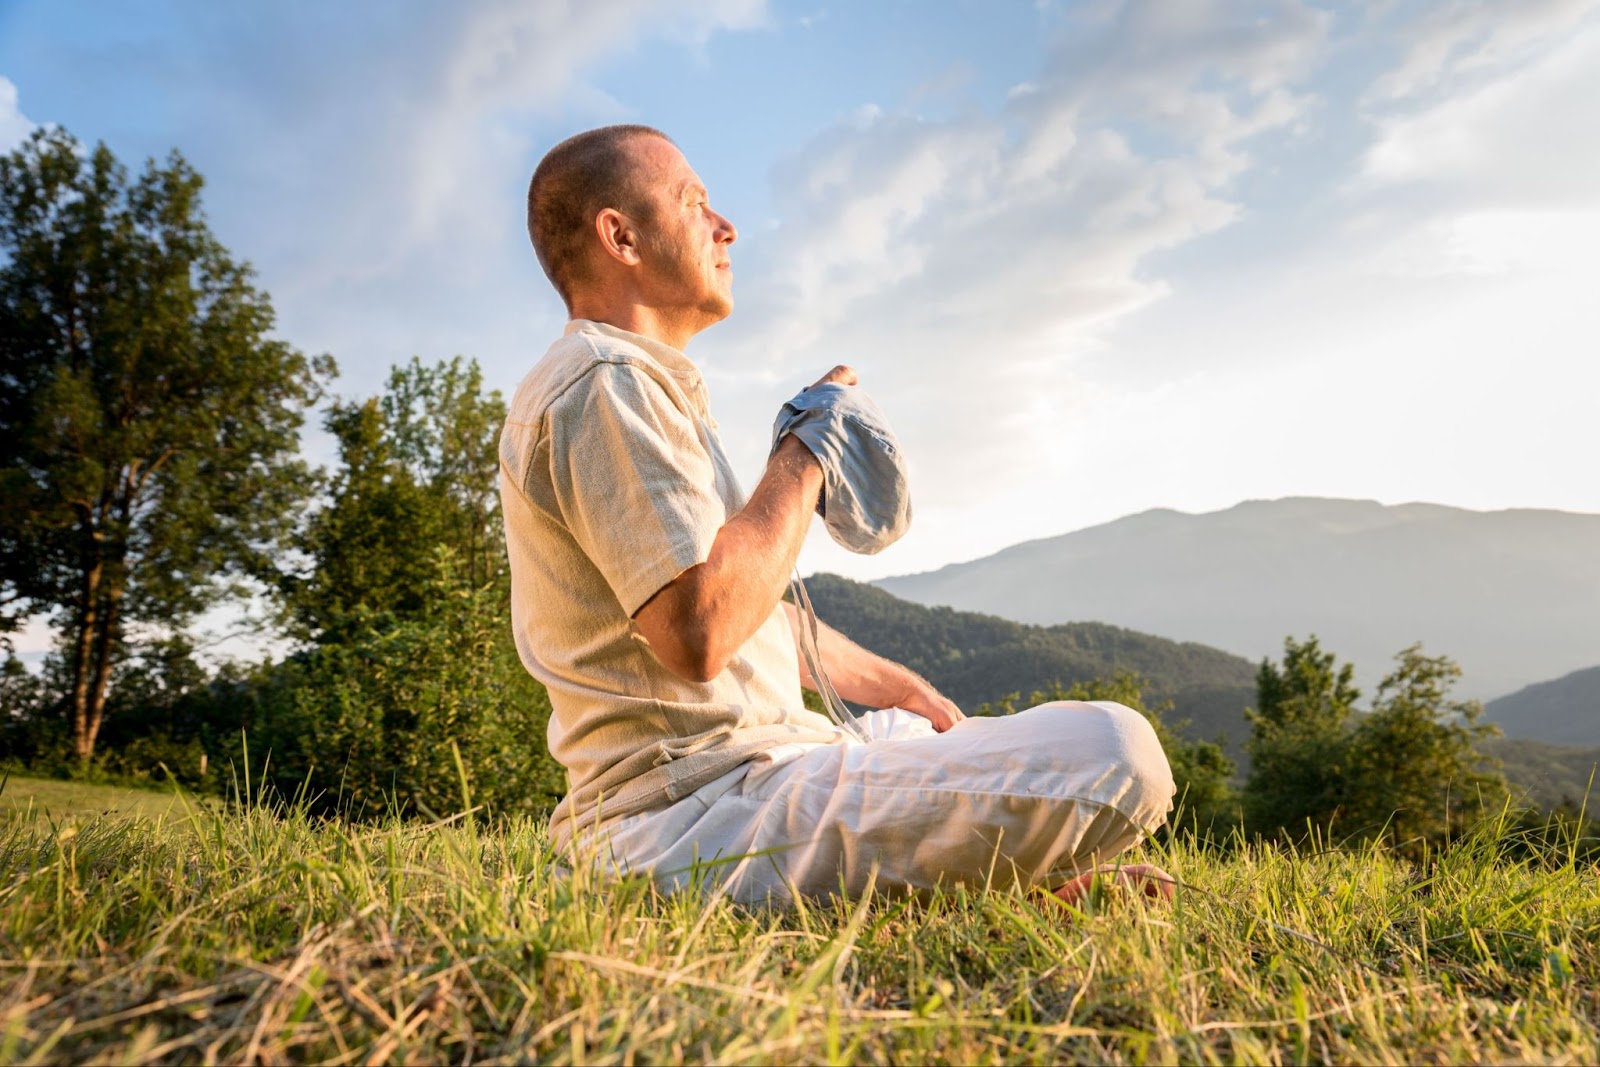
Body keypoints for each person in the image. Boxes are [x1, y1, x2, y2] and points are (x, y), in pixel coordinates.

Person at [500, 124, 1175, 907]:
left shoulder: (638, 386)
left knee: (909, 733)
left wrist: (900, 685)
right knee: (1118, 750)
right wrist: (805, 450)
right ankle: (1002, 888)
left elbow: (761, 616)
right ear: (620, 236)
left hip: (766, 766)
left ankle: (999, 882)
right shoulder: (604, 381)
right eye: (696, 204)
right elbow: (700, 629)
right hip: (686, 816)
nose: (727, 228)